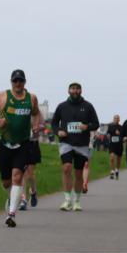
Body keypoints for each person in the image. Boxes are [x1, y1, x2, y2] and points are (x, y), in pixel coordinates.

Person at [0, 69, 43, 227]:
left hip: (23, 144)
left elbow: (37, 114)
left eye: (21, 81)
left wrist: (37, 125)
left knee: (17, 176)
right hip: (4, 143)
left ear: (25, 82)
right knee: (5, 182)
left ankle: (11, 214)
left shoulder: (31, 98)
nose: (18, 84)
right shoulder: (2, 96)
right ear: (11, 82)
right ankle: (12, 198)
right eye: (15, 81)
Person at [50, 83, 100, 212]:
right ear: (68, 90)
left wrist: (86, 127)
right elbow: (54, 122)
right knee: (66, 168)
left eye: (77, 88)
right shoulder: (62, 106)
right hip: (66, 142)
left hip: (82, 144)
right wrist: (58, 131)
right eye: (73, 88)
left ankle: (77, 201)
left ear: (81, 90)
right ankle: (67, 200)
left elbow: (96, 124)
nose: (75, 91)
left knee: (78, 174)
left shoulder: (88, 106)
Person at [24, 125, 41, 208]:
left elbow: (42, 126)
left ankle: (33, 191)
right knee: (21, 173)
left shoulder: (36, 114)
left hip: (31, 144)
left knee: (29, 174)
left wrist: (37, 128)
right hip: (19, 144)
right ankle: (23, 199)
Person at [106, 114, 124, 179]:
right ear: (113, 119)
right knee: (112, 157)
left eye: (117, 118)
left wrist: (119, 134)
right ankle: (112, 171)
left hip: (119, 145)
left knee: (119, 160)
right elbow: (106, 132)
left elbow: (123, 136)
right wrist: (107, 135)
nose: (116, 119)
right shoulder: (110, 126)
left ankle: (117, 169)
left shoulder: (121, 127)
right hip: (112, 144)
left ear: (119, 120)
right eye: (115, 118)